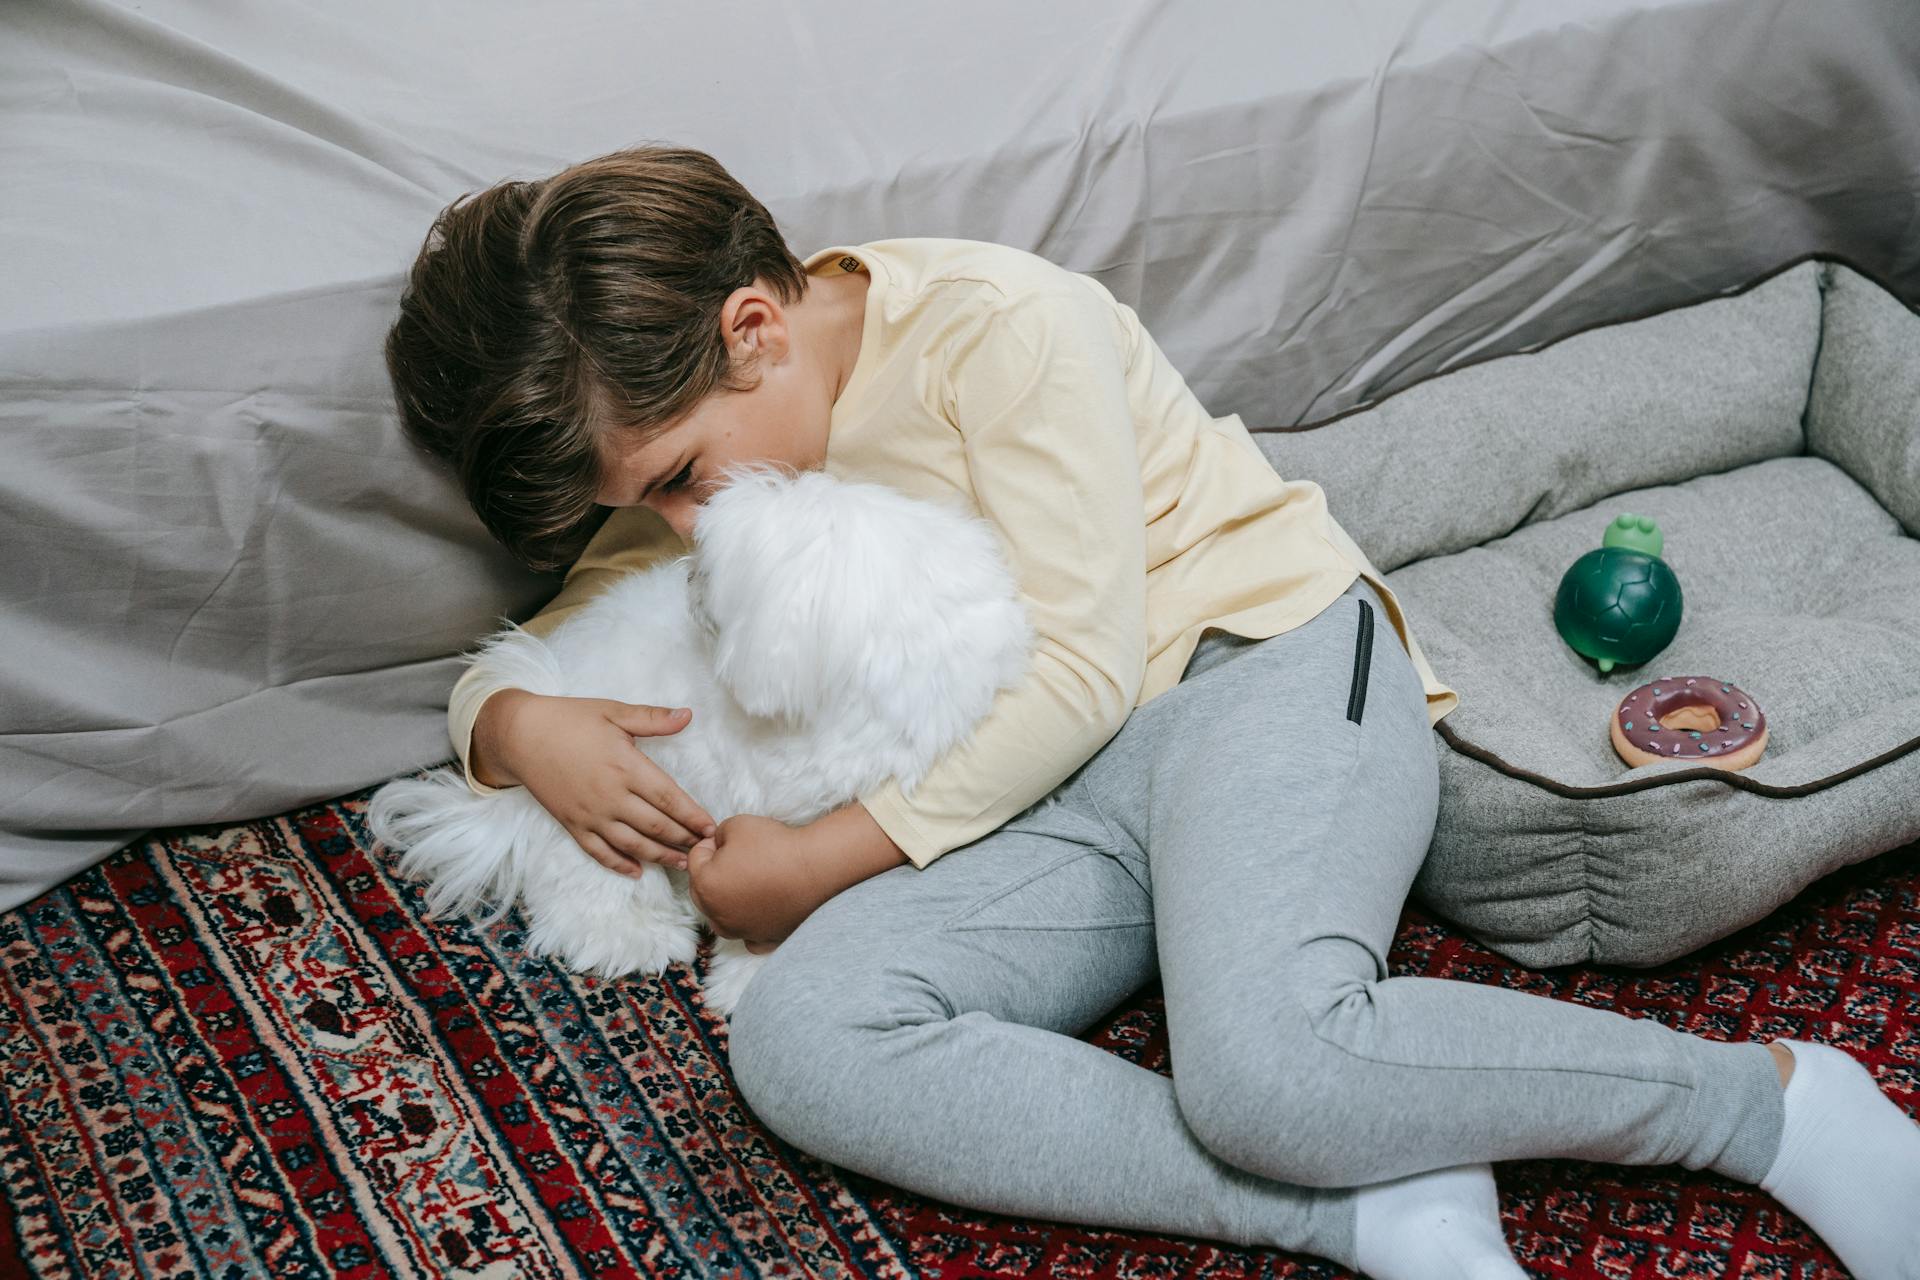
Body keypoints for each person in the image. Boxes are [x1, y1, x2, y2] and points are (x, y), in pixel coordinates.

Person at [383, 143, 1920, 1279]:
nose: (686, 530)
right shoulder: (712, 441)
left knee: (1276, 1069)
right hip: (1048, 803)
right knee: (803, 1037)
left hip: (1262, 674)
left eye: (673, 485)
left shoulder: (1001, 327)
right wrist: (521, 731)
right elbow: (533, 646)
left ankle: (1769, 1104)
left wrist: (822, 856)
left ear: (755, 330)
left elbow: (1080, 672)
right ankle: (1363, 1207)